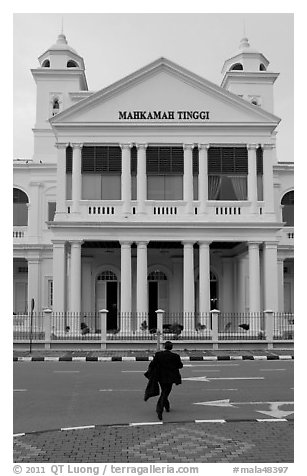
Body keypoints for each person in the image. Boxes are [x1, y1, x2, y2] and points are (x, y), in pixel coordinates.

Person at [149, 340, 183, 420]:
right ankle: (159, 409)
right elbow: (180, 366)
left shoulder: (158, 355)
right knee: (165, 392)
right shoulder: (175, 356)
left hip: (160, 377)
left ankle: (167, 406)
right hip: (170, 378)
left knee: (164, 391)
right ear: (171, 347)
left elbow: (153, 364)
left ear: (164, 347)